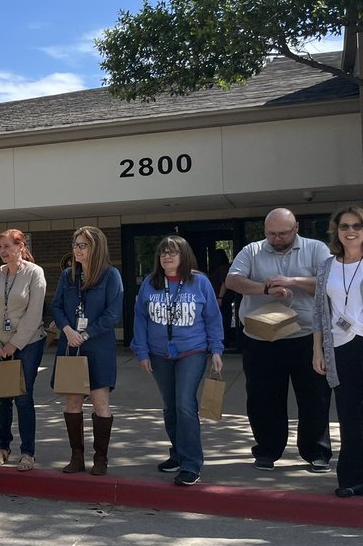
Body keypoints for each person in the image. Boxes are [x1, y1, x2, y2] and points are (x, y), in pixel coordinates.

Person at [225, 207, 332, 471]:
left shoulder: (315, 249)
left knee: (315, 398)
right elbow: (233, 280)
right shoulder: (252, 251)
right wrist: (265, 288)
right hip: (261, 338)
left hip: (307, 337)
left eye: (283, 233)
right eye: (271, 233)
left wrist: (292, 281)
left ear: (296, 228)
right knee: (263, 398)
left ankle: (316, 451)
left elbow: (329, 281)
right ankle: (267, 450)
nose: (276, 239)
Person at [130, 236, 224, 487]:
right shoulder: (150, 283)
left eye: (173, 252)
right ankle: (178, 453)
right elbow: (140, 318)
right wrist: (142, 352)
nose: (167, 257)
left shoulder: (199, 282)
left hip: (192, 352)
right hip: (159, 354)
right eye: (163, 253)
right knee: (170, 407)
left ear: (184, 256)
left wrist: (216, 349)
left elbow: (213, 318)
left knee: (184, 403)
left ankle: (191, 464)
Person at [51, 226, 124, 475]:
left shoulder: (111, 275)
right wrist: (67, 330)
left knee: (100, 402)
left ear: (96, 248)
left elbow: (113, 313)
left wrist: (85, 334)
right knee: (72, 402)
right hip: (71, 345)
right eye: (75, 245)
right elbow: (57, 306)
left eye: (83, 245)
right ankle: (77, 457)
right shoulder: (68, 275)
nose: (77, 250)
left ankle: (101, 459)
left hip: (98, 346)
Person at [0, 229, 46, 471]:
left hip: (27, 345)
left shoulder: (34, 273)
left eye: (8, 246)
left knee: (23, 397)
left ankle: (27, 452)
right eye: (0, 247)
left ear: (21, 247)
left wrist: (14, 345)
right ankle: (3, 447)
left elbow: (34, 313)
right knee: (3, 398)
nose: (3, 251)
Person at [312, 205, 363, 497]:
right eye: (345, 226)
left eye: (357, 226)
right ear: (337, 231)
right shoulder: (327, 266)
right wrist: (317, 349)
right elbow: (320, 311)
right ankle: (351, 478)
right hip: (340, 348)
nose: (351, 231)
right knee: (348, 413)